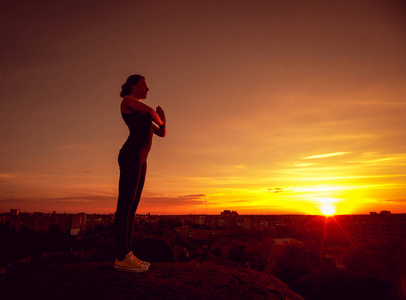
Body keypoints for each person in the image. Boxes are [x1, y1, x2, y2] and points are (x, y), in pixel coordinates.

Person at [113, 75, 166, 273]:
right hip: (130, 155)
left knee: (133, 207)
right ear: (133, 85)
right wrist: (159, 118)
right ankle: (121, 256)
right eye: (144, 84)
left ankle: (128, 253)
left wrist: (163, 122)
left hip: (142, 158)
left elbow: (161, 133)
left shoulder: (142, 112)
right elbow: (152, 112)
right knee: (125, 205)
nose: (147, 88)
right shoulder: (128, 101)